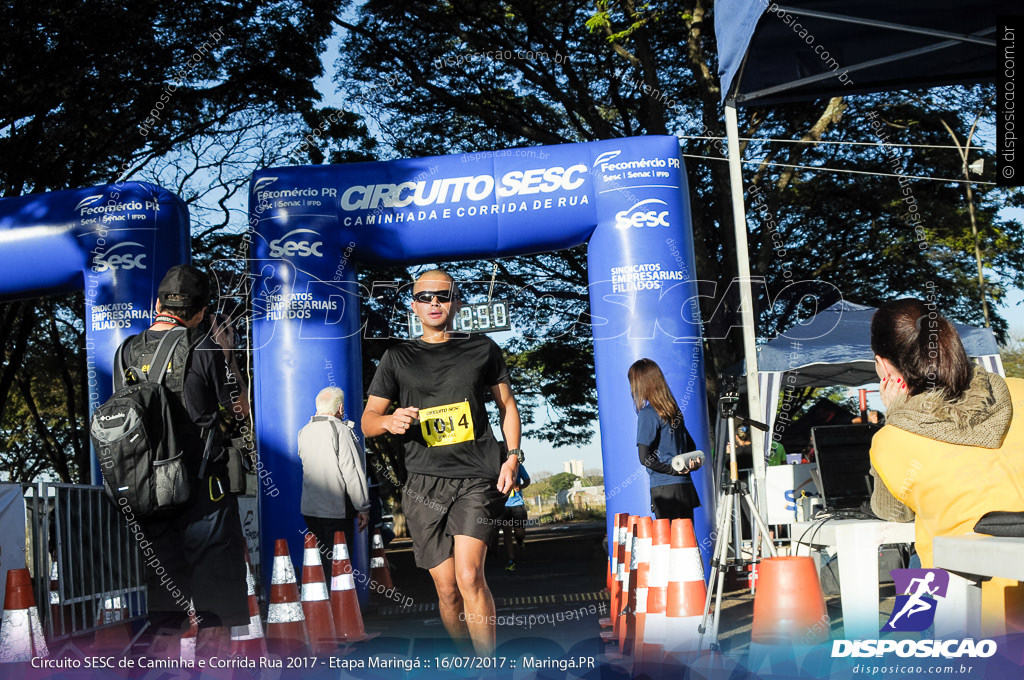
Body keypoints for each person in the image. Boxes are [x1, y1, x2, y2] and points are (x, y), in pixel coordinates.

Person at [361, 269, 522, 655]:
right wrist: (388, 421)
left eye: (443, 295)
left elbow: (508, 406)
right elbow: (367, 421)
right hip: (422, 483)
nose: (434, 302)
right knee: (448, 591)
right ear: (413, 304)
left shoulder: (482, 348)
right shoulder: (397, 356)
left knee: (470, 577)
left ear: (456, 301)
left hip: (476, 477)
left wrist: (512, 457)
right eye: (425, 296)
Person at [869, 298, 1024, 635]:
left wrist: (896, 417)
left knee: (909, 592)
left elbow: (892, 511)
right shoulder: (1020, 390)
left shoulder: (891, 441)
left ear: (883, 366)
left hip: (979, 612)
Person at [127, 264, 250, 657]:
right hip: (202, 494)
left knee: (165, 614)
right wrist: (229, 357)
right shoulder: (204, 347)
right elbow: (239, 411)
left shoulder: (125, 350)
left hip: (148, 496)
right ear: (200, 313)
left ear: (157, 303)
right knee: (216, 611)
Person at [298, 386, 370, 581]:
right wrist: (362, 507)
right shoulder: (340, 430)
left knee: (321, 562)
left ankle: (323, 605)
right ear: (340, 408)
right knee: (340, 565)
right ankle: (340, 607)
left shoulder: (304, 431)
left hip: (310, 510)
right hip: (336, 510)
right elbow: (352, 472)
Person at [628, 358, 701, 521]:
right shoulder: (675, 412)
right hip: (685, 487)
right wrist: (685, 467)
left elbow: (645, 458)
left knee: (668, 543)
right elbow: (691, 446)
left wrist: (672, 470)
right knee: (687, 543)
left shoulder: (648, 414)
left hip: (664, 489)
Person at [501, 462, 531, 572]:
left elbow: (527, 480)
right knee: (507, 533)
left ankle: (520, 540)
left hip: (517, 504)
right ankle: (511, 560)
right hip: (503, 506)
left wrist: (520, 486)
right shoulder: (495, 466)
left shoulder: (518, 466)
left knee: (520, 532)